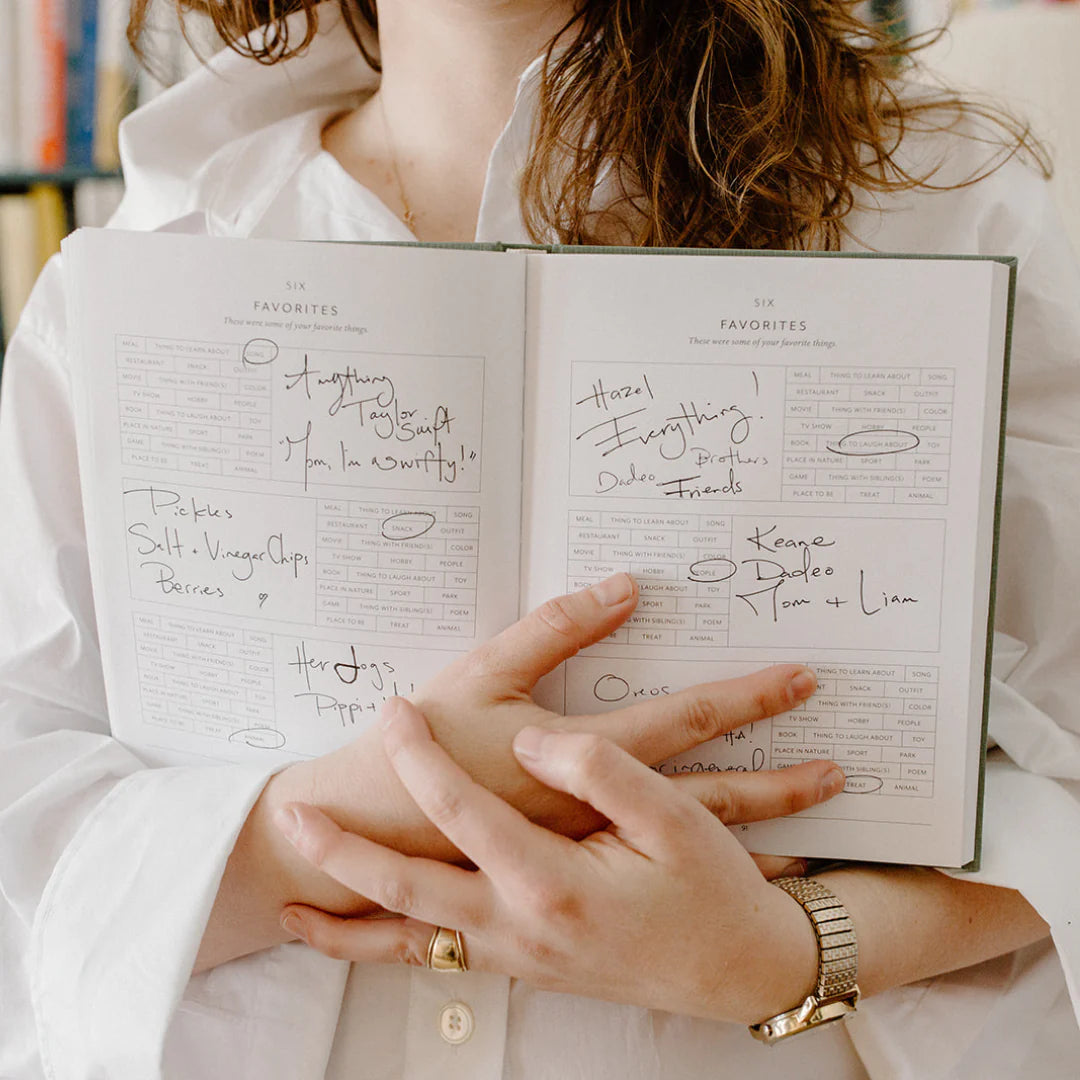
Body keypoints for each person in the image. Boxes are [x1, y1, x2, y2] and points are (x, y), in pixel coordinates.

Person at [1, 1, 1079, 1077]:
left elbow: (1062, 765)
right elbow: (27, 798)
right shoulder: (144, 265)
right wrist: (322, 825)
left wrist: (784, 956)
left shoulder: (950, 208)